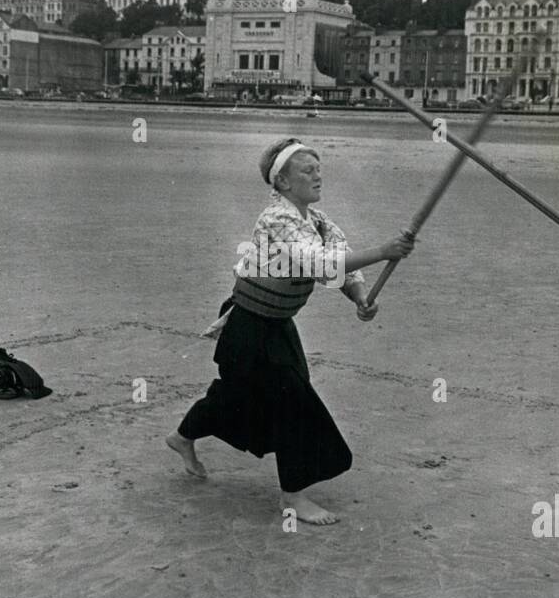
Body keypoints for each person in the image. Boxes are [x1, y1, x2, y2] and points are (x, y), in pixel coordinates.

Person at [166, 138, 415, 525]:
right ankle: (293, 495)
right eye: (307, 171)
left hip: (277, 325)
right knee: (292, 400)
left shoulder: (318, 221)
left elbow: (342, 269)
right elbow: (317, 262)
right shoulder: (275, 220)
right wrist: (384, 250)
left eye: (319, 169)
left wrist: (361, 298)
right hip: (247, 324)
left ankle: (183, 438)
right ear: (281, 182)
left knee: (239, 397)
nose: (318, 176)